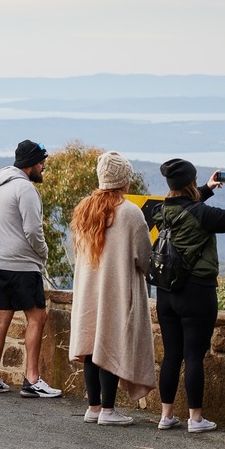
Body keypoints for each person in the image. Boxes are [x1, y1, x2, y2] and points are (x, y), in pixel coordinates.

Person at [152, 158, 225, 433]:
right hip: (197, 292)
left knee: (171, 355)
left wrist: (206, 188)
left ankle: (166, 415)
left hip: (166, 292)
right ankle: (195, 419)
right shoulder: (202, 214)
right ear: (190, 183)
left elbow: (185, 207)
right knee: (194, 355)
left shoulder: (161, 210)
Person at [68, 151, 156, 425]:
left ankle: (93, 407)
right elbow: (145, 257)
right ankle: (107, 410)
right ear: (123, 180)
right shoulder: (130, 213)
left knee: (91, 345)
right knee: (110, 343)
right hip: (116, 288)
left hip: (89, 289)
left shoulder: (85, 209)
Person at [0, 140, 63, 398]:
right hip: (23, 265)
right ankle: (32, 379)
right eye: (41, 162)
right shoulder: (25, 189)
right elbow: (33, 230)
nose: (43, 167)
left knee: (1, 318)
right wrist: (43, 253)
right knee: (37, 317)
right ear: (31, 163)